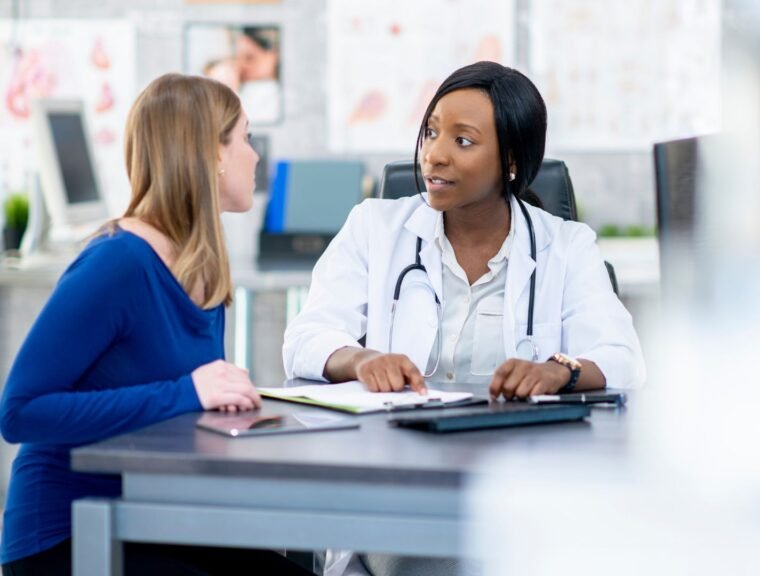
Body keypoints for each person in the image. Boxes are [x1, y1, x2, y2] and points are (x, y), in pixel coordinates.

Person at [284, 59, 645, 575]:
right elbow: (305, 337)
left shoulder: (565, 246)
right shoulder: (376, 228)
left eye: (464, 141)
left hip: (516, 489)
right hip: (395, 489)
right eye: (431, 132)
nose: (434, 155)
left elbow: (623, 358)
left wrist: (558, 370)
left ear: (513, 161)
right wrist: (360, 359)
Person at [0, 74, 312, 576]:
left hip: (154, 514)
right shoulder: (118, 263)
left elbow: (179, 399)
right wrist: (187, 392)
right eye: (246, 139)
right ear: (211, 153)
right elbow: (19, 412)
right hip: (66, 537)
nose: (256, 157)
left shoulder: (201, 262)